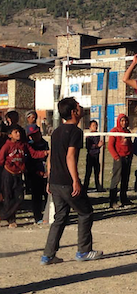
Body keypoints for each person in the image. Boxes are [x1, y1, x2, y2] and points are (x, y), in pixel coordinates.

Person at [41, 97, 103, 265]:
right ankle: (84, 251)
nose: (82, 107)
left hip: (55, 181)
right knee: (85, 212)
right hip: (67, 182)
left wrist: (49, 180)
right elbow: (70, 157)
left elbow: (51, 157)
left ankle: (48, 255)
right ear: (74, 112)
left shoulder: (56, 131)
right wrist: (75, 181)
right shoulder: (76, 132)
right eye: (78, 106)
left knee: (60, 217)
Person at [0, 125, 48, 228]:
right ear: (10, 135)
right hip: (8, 174)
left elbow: (34, 154)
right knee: (8, 197)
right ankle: (11, 220)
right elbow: (1, 160)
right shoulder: (6, 146)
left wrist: (45, 152)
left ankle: (4, 215)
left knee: (20, 197)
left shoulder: (23, 145)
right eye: (15, 132)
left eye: (19, 132)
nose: (18, 134)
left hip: (18, 174)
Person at [108, 113, 133, 208]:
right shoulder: (115, 131)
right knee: (116, 179)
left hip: (127, 158)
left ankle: (124, 198)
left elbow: (130, 144)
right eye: (122, 120)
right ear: (118, 121)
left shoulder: (127, 132)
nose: (124, 122)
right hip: (119, 158)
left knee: (125, 179)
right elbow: (110, 146)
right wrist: (116, 156)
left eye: (125, 120)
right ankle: (113, 201)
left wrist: (131, 154)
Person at [26, 124, 49, 224]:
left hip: (45, 173)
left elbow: (49, 159)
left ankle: (49, 215)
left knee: (48, 195)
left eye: (36, 134)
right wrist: (36, 171)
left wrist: (48, 171)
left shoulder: (45, 143)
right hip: (35, 174)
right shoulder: (30, 146)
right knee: (36, 197)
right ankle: (38, 216)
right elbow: (29, 161)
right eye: (32, 135)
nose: (35, 137)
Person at [84, 120, 104, 192]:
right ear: (90, 127)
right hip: (90, 156)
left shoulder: (98, 135)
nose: (95, 127)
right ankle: (85, 187)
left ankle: (98, 187)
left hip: (97, 156)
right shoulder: (89, 136)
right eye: (93, 125)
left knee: (97, 172)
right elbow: (88, 146)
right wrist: (97, 146)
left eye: (96, 125)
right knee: (88, 172)